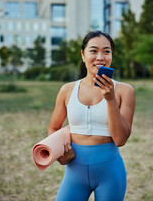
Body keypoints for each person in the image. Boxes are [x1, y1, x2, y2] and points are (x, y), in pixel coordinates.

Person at [48, 30, 135, 201]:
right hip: (74, 172)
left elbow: (120, 140)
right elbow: (53, 127)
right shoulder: (67, 90)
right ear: (83, 55)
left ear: (111, 55)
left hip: (110, 173)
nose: (100, 57)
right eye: (93, 51)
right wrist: (59, 154)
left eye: (106, 51)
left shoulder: (125, 91)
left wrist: (110, 100)